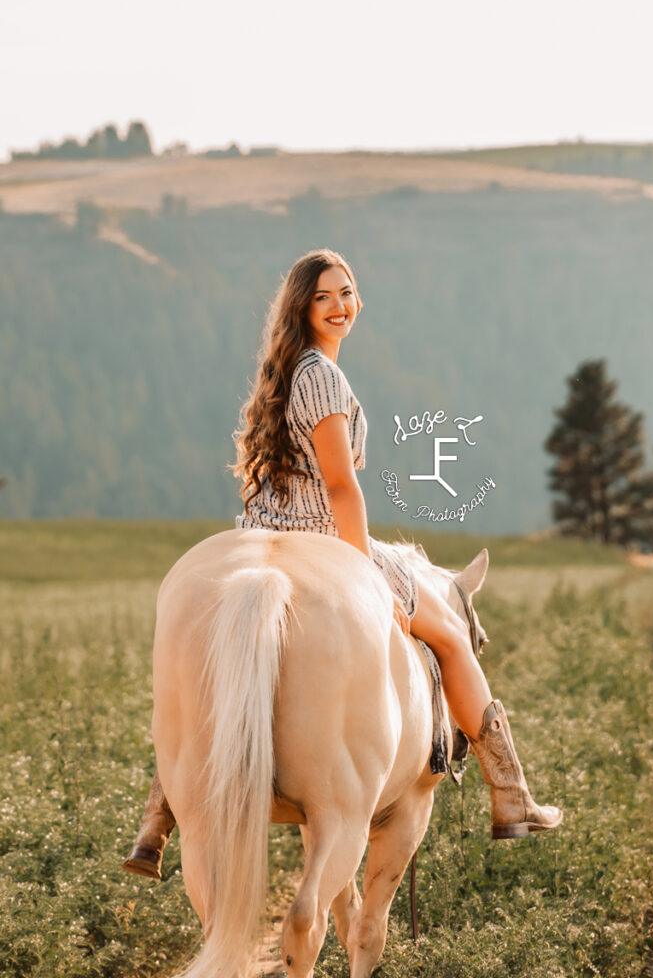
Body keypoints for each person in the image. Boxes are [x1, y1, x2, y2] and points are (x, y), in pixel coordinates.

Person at [123, 249, 562, 880]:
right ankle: (511, 793)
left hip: (260, 533)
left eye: (347, 292)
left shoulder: (281, 373)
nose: (340, 306)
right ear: (302, 306)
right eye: (325, 296)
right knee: (452, 638)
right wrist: (361, 573)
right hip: (321, 537)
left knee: (201, 673)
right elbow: (340, 486)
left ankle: (159, 813)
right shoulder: (324, 377)